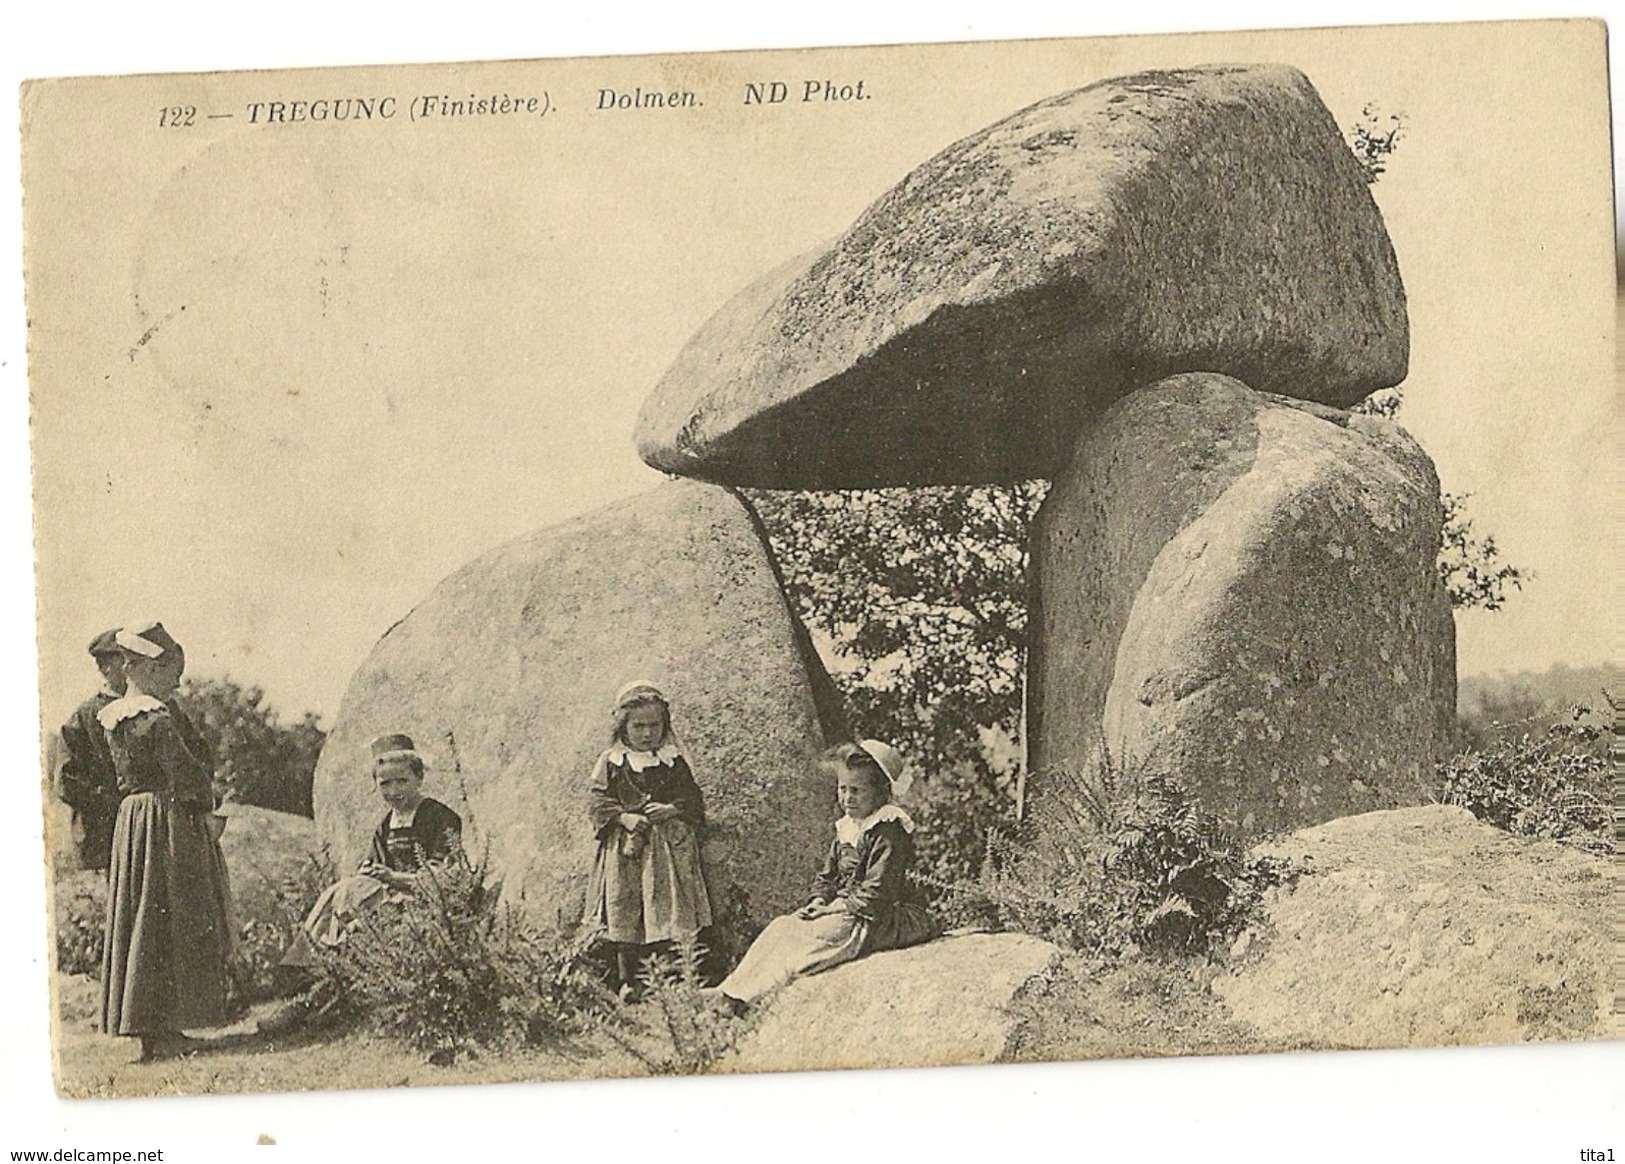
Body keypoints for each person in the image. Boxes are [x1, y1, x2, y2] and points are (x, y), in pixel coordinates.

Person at [714, 740, 939, 1009]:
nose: (847, 798)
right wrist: (819, 902)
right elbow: (828, 876)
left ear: (881, 793)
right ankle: (732, 989)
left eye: (857, 791)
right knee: (783, 926)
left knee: (824, 932)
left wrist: (834, 909)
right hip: (847, 910)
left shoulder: (888, 830)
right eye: (842, 789)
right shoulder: (847, 827)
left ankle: (753, 996)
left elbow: (879, 892)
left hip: (886, 916)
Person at [98, 622, 234, 1061]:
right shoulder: (156, 718)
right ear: (150, 668)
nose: (177, 682)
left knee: (141, 918)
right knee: (172, 914)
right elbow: (186, 773)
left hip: (133, 821)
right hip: (165, 820)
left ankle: (150, 1031)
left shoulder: (115, 717)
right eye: (172, 672)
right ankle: (168, 1028)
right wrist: (208, 806)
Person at [278, 733, 463, 971]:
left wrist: (393, 878)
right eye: (385, 784)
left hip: (425, 899)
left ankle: (326, 958)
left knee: (355, 902)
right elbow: (373, 867)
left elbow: (443, 878)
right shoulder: (387, 825)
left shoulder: (440, 817)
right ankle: (308, 963)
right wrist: (370, 872)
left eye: (402, 781)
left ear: (419, 778)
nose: (394, 791)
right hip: (389, 895)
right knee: (340, 891)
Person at [582, 681, 712, 1001]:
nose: (646, 733)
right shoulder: (612, 761)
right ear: (622, 725)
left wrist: (671, 809)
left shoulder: (672, 759)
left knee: (668, 908)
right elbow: (596, 802)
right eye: (638, 726)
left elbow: (693, 799)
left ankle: (676, 977)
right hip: (626, 849)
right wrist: (623, 817)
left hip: (667, 851)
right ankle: (628, 981)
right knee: (625, 907)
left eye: (654, 726)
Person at [55, 629, 127, 871]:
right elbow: (66, 781)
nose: (132, 667)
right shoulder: (84, 718)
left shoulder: (159, 707)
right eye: (125, 659)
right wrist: (110, 803)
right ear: (104, 667)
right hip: (105, 836)